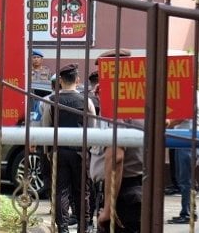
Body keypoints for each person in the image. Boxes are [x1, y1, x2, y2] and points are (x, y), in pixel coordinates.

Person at [90, 48, 143, 233]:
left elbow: (115, 157)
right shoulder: (137, 102)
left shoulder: (117, 105)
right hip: (131, 191)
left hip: (121, 195)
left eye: (102, 76)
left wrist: (108, 208)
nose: (97, 84)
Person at [45, 63, 94, 233]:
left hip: (59, 151)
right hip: (81, 152)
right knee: (83, 191)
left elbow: (46, 129)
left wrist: (48, 152)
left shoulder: (50, 100)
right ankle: (83, 226)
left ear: (60, 81)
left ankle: (63, 228)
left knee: (61, 191)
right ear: (78, 80)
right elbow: (93, 129)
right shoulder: (86, 101)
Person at [166, 92, 199, 224]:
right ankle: (188, 212)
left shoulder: (190, 93)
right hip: (183, 139)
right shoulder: (188, 92)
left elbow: (182, 116)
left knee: (186, 179)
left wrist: (165, 123)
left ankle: (188, 213)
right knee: (184, 179)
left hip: (189, 140)